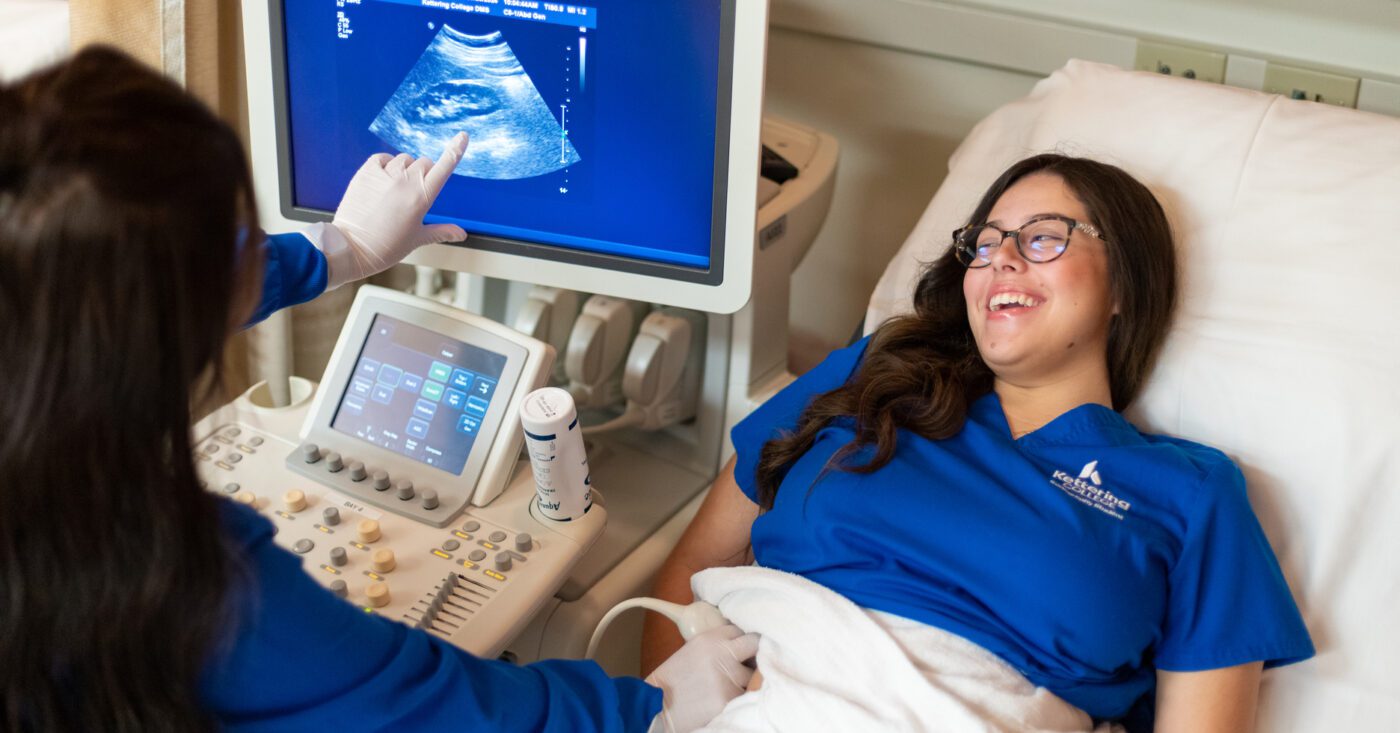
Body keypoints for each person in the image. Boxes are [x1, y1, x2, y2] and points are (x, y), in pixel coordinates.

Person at [0, 47, 755, 733]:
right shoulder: (187, 585)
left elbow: (92, 272)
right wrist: (654, 704)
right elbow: (445, 710)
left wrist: (338, 249)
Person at [642, 153, 1314, 731]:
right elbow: (696, 560)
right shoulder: (873, 374)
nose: (1003, 260)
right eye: (985, 243)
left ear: (1124, 283)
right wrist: (666, 707)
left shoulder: (1191, 491)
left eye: (1044, 237)